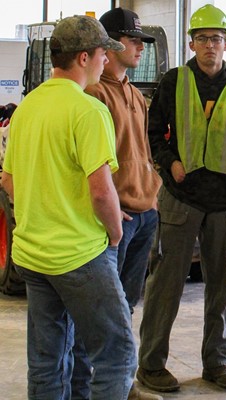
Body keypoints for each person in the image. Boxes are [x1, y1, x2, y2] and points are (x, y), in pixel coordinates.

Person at [1, 15, 138, 399]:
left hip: (32, 254)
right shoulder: (88, 111)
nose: (105, 62)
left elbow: (10, 182)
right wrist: (114, 232)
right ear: (83, 58)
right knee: (117, 353)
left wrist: (46, 209)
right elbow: (100, 192)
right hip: (80, 254)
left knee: (47, 361)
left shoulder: (26, 109)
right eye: (102, 55)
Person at [136, 4, 226, 393]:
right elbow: (154, 128)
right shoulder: (173, 80)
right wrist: (169, 163)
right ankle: (152, 363)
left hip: (225, 200)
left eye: (216, 39)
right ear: (191, 43)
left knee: (221, 288)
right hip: (181, 197)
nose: (210, 45)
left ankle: (217, 362)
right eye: (202, 39)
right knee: (166, 286)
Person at [79, 8, 163, 400]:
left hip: (144, 213)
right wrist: (113, 212)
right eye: (133, 41)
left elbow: (143, 152)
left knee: (126, 306)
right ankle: (89, 385)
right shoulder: (94, 93)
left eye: (140, 42)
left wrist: (154, 194)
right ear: (109, 46)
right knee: (100, 313)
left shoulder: (134, 94)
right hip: (118, 218)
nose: (139, 48)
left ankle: (122, 383)